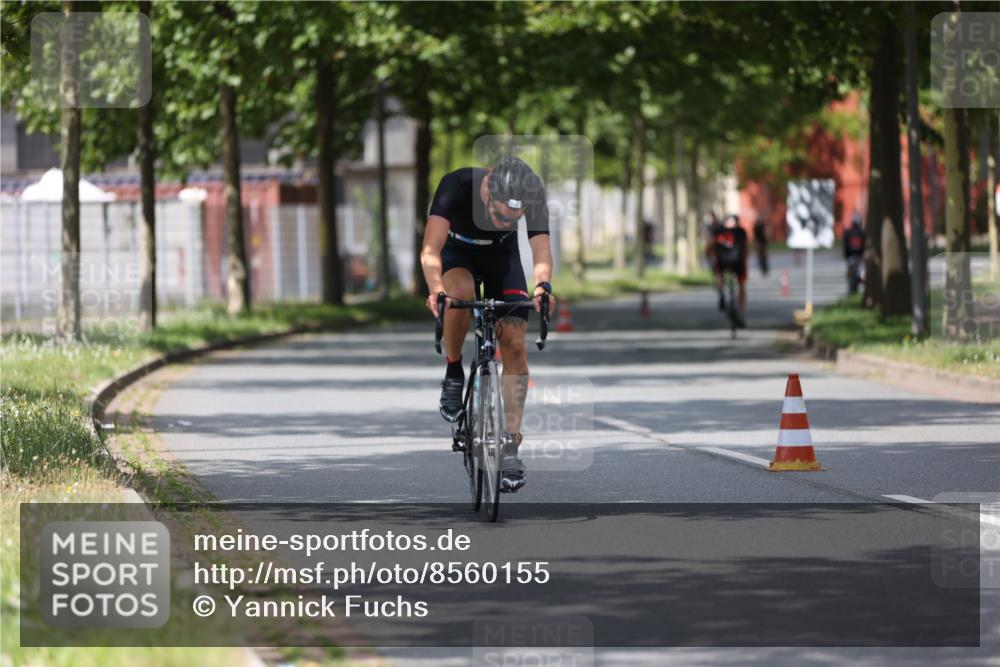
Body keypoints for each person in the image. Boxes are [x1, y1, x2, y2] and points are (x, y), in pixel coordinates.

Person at [420, 156, 554, 492]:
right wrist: (436, 288)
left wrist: (543, 285)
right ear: (488, 187)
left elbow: (540, 246)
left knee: (514, 343)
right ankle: (453, 371)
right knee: (459, 294)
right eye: (499, 213)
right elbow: (431, 248)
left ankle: (510, 445)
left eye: (513, 217)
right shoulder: (457, 185)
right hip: (458, 254)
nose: (504, 219)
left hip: (501, 259)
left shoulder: (532, 189)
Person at [705, 214, 748, 326]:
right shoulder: (741, 232)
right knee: (742, 285)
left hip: (721, 263)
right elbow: (745, 249)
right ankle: (741, 312)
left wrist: (708, 255)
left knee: (718, 274)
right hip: (738, 263)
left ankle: (721, 293)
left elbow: (709, 246)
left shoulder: (718, 231)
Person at [843, 212, 865, 294]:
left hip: (851, 258)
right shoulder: (862, 233)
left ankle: (852, 291)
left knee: (852, 276)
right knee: (860, 275)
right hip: (859, 257)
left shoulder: (848, 233)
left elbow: (846, 247)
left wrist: (846, 256)